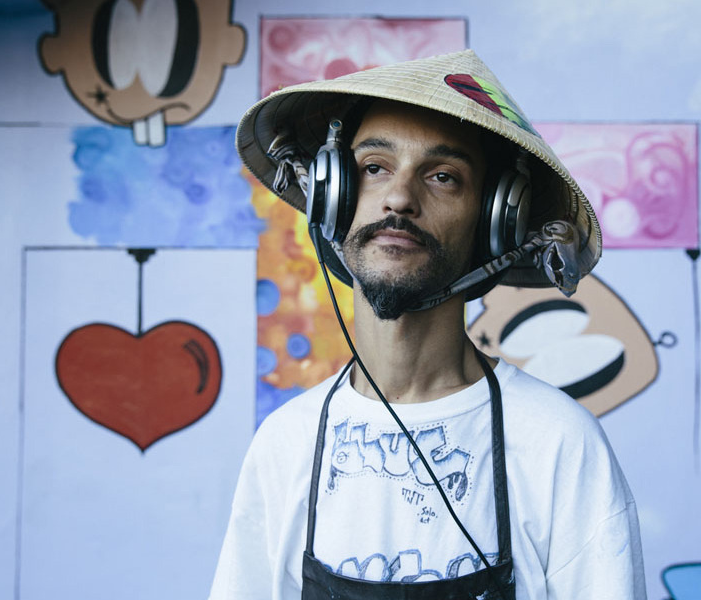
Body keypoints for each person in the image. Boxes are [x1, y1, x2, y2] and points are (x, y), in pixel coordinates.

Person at [211, 50, 646, 599]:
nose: (399, 198)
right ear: (332, 194)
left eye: (443, 177)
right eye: (374, 168)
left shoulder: (560, 444)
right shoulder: (285, 444)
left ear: (495, 221)